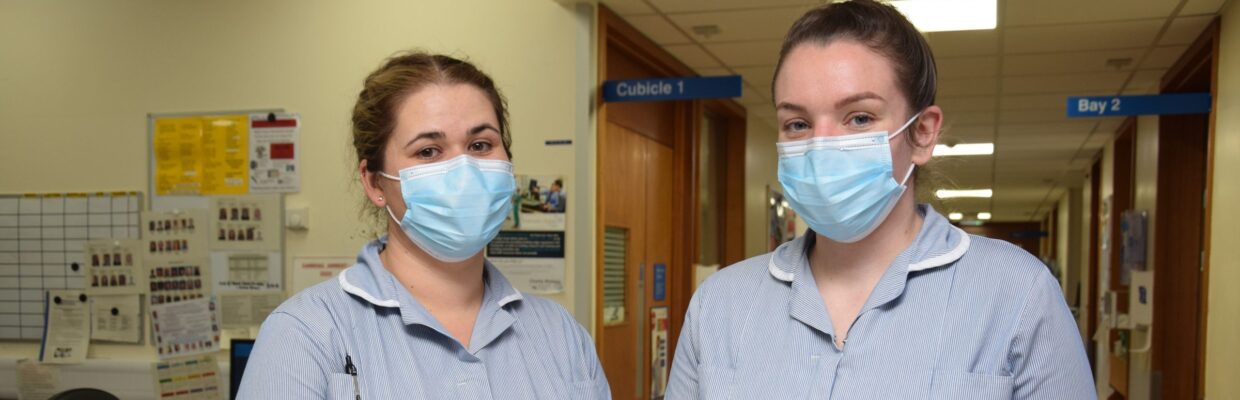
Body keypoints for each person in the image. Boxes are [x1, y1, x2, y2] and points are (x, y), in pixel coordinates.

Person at [665, 2, 1094, 399]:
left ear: (922, 133)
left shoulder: (1017, 294)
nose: (821, 146)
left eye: (859, 118)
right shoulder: (720, 304)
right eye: (797, 123)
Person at [239, 52, 609, 399]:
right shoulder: (306, 333)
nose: (464, 171)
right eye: (428, 151)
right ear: (375, 183)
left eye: (481, 145)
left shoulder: (561, 334)